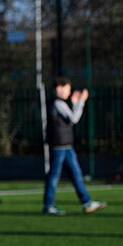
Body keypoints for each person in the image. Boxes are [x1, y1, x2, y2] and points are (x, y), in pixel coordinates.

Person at [42, 76, 106, 215]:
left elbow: (70, 118)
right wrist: (80, 102)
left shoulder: (61, 103)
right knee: (54, 176)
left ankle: (86, 202)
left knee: (76, 175)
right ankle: (48, 206)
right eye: (67, 89)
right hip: (59, 147)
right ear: (59, 88)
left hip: (66, 146)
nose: (69, 92)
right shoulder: (58, 103)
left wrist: (75, 103)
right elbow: (74, 118)